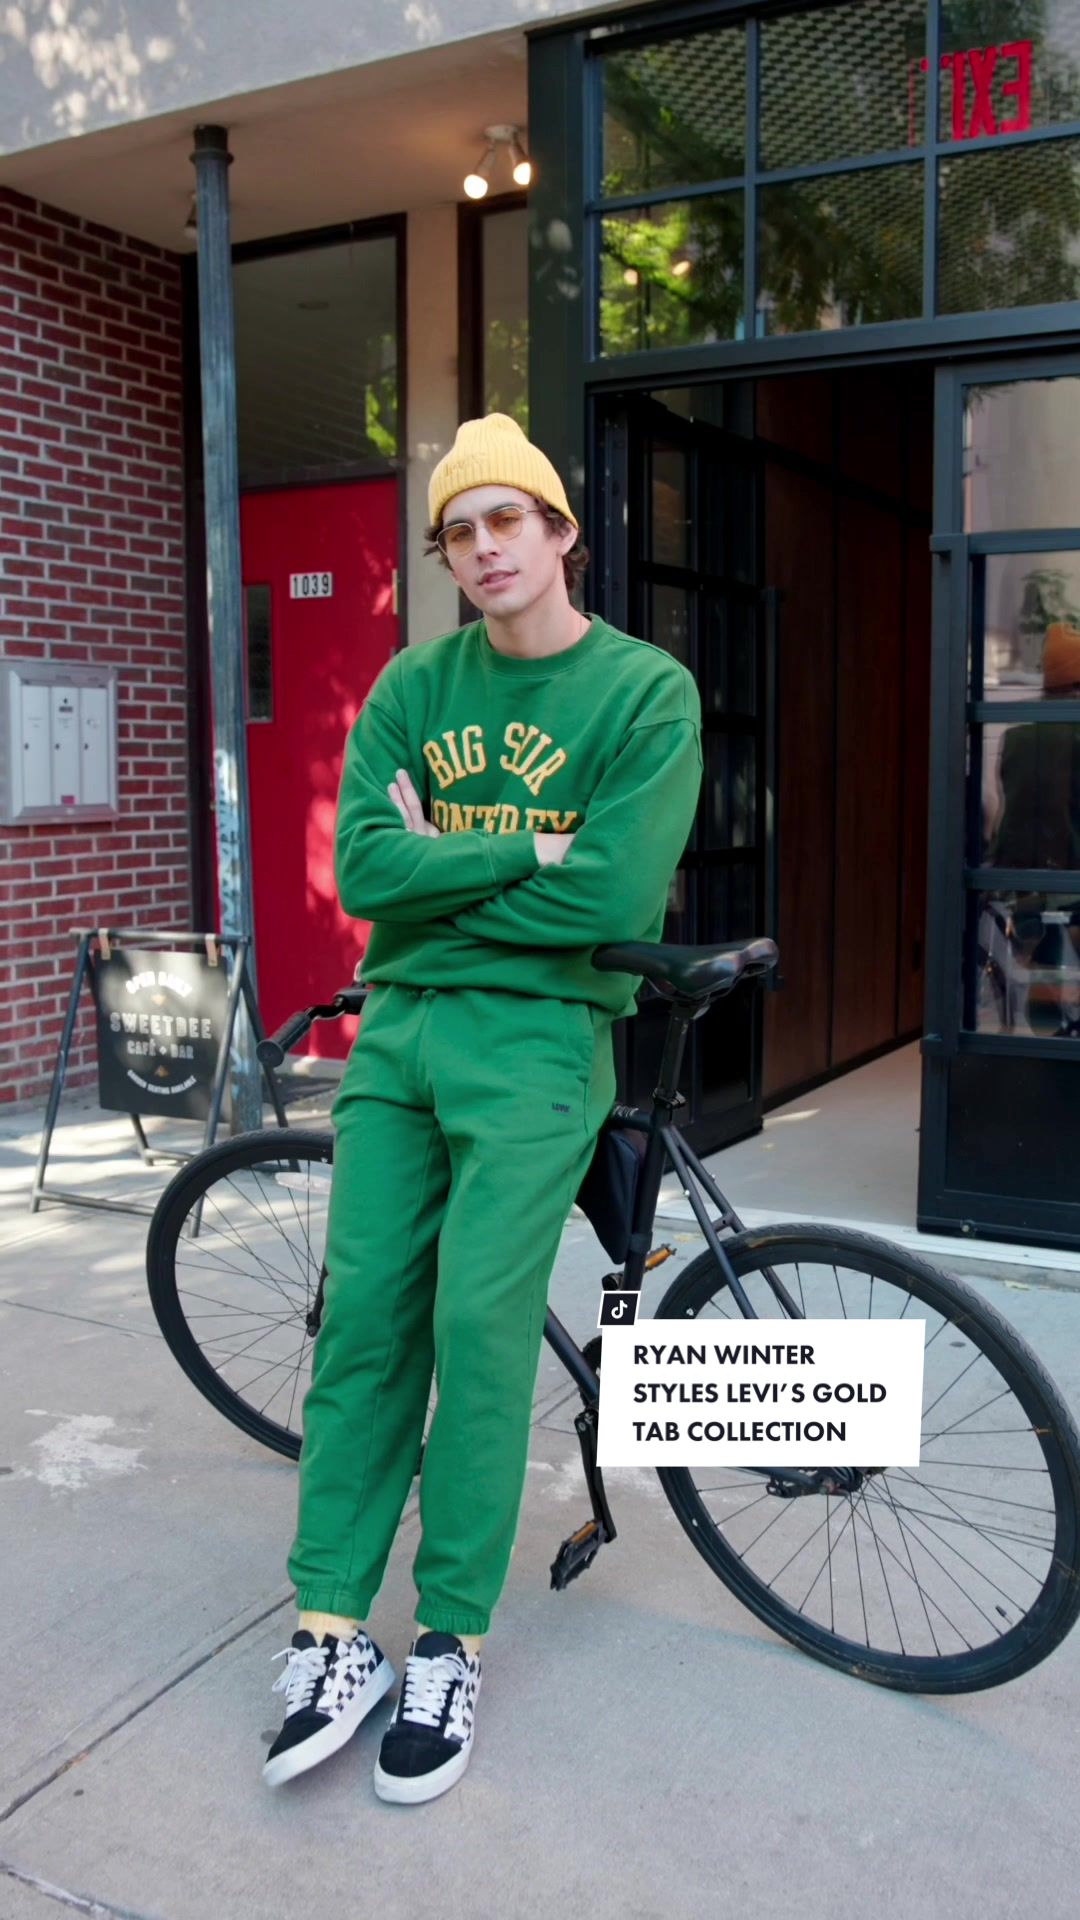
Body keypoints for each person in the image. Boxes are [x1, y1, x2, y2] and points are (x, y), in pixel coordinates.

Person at [263, 413, 703, 1804]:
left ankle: (448, 1638)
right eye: (461, 530)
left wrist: (444, 864)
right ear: (449, 558)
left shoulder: (644, 693)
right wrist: (528, 843)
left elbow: (612, 894)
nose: (487, 545)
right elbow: (366, 876)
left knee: (479, 1331)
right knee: (365, 1324)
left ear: (561, 533)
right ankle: (331, 1629)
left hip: (541, 1042)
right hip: (399, 1040)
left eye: (510, 517)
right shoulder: (414, 683)